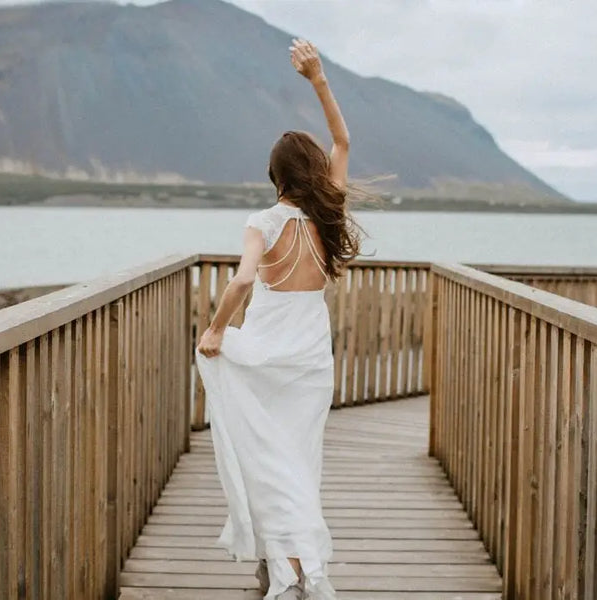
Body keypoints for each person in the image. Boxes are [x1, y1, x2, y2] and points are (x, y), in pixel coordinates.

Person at [194, 38, 361, 600]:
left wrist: (216, 330)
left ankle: (286, 567)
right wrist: (318, 80)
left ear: (274, 176)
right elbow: (343, 140)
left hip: (265, 352)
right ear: (313, 171)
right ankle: (294, 566)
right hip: (310, 358)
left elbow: (243, 280)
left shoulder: (262, 222)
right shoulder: (328, 213)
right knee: (298, 460)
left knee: (265, 457)